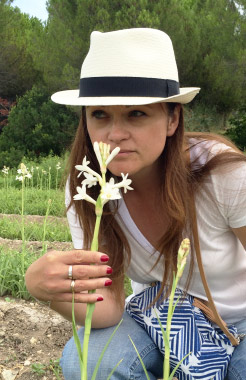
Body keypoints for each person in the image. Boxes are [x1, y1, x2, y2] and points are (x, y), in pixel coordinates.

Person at [25, 28, 246, 379]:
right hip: (161, 322)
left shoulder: (226, 175)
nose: (114, 134)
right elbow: (109, 308)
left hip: (241, 321)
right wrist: (44, 290)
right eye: (99, 114)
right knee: (88, 360)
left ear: (172, 119)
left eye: (136, 114)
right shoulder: (89, 187)